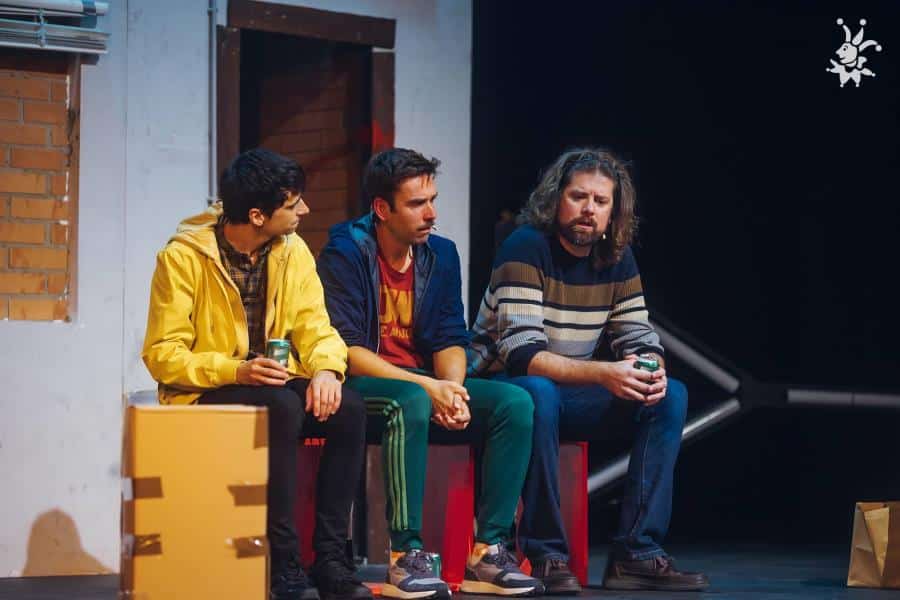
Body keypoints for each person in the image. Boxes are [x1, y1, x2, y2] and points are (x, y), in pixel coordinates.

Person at [469, 148, 710, 593]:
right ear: (556, 198)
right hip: (502, 389)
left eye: (600, 201)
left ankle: (636, 552)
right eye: (578, 196)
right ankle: (546, 555)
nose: (588, 209)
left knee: (669, 395)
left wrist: (650, 369)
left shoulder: (616, 256)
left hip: (566, 389)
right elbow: (523, 354)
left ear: (613, 211)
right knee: (537, 391)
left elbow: (638, 335)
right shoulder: (525, 245)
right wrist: (604, 373)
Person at [142, 149, 371, 600]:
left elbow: (316, 326)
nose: (305, 210)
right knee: (281, 406)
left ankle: (330, 558)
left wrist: (327, 370)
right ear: (257, 215)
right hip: (206, 388)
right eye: (293, 203)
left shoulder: (292, 250)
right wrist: (236, 370)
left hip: (270, 381)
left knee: (348, 406)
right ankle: (282, 561)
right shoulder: (183, 257)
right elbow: (162, 354)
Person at [318, 148, 542, 598]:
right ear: (382, 209)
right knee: (411, 401)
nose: (431, 214)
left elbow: (450, 336)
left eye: (432, 200)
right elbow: (347, 350)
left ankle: (489, 550)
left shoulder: (440, 254)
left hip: (424, 384)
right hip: (363, 386)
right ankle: (405, 557)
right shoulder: (346, 250)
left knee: (514, 402)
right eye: (417, 204)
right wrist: (428, 387)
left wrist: (452, 390)